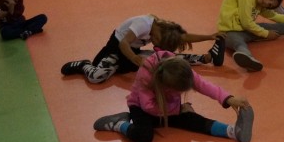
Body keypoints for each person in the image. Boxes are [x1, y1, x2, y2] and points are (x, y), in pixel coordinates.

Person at [92, 50, 254, 142]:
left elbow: (203, 84)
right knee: (143, 137)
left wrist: (228, 98)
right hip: (141, 107)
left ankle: (233, 131)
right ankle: (120, 123)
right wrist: (177, 109)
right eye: (178, 92)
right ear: (167, 87)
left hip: (168, 107)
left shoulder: (179, 68)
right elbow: (148, 106)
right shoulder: (146, 76)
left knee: (191, 119)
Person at [61, 15, 224, 84]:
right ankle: (84, 64)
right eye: (157, 41)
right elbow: (123, 43)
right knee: (96, 77)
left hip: (134, 52)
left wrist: (209, 36)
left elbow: (184, 37)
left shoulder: (163, 28)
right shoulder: (143, 24)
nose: (155, 44)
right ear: (159, 34)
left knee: (168, 59)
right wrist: (136, 59)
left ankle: (205, 58)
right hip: (116, 51)